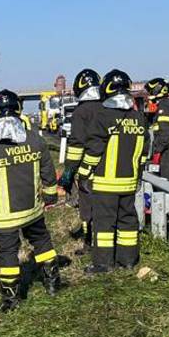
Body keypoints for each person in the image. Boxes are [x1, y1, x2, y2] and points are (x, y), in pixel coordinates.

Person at [0, 90, 60, 312]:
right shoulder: (35, 139)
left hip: (4, 217)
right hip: (33, 210)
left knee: (7, 254)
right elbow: (48, 170)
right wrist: (50, 196)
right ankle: (53, 282)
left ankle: (11, 299)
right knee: (42, 242)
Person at [78, 69, 149, 272]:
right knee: (127, 221)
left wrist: (83, 174)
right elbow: (144, 152)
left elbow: (94, 150)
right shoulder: (138, 118)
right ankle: (128, 261)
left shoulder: (102, 117)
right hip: (129, 182)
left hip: (105, 183)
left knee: (104, 225)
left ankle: (103, 264)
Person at [59, 69, 103, 253]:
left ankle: (89, 243)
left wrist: (68, 173)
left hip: (88, 170)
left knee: (87, 207)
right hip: (109, 168)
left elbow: (77, 147)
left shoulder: (80, 112)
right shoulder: (107, 108)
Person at [145, 77, 169, 183]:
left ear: (158, 89)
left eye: (151, 90)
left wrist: (157, 150)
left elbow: (164, 132)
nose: (150, 93)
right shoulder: (167, 104)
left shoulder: (164, 107)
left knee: (168, 182)